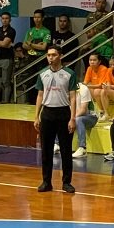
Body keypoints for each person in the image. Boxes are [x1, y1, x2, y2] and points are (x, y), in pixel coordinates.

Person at [34, 45, 77, 193]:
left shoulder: (69, 74)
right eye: (48, 55)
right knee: (46, 150)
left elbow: (72, 96)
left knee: (66, 150)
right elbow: (40, 95)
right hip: (47, 114)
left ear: (60, 56)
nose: (50, 58)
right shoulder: (42, 74)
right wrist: (36, 117)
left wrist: (72, 118)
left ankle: (66, 182)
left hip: (63, 113)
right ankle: (46, 182)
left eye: (53, 55)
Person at [72, 82, 97, 158]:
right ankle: (57, 144)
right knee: (59, 117)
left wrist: (72, 119)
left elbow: (83, 110)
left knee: (79, 120)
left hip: (90, 117)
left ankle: (82, 148)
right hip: (76, 116)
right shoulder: (65, 90)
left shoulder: (83, 89)